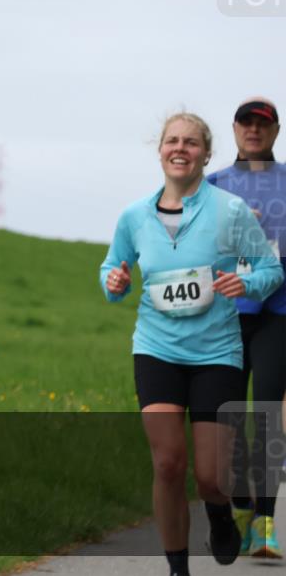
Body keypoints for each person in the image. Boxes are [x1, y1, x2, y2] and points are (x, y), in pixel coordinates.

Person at [100, 112, 283, 576]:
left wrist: (248, 284)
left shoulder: (230, 209)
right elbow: (111, 271)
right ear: (159, 149)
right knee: (166, 463)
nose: (180, 149)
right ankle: (177, 567)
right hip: (156, 348)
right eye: (172, 141)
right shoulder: (135, 215)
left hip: (217, 353)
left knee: (211, 476)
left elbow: (270, 270)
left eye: (191, 143)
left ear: (206, 153)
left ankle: (220, 514)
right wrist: (116, 280)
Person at [206, 97, 285, 559]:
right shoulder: (213, 186)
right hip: (226, 318)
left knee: (267, 415)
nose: (253, 130)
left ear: (275, 132)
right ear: (234, 130)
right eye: (246, 123)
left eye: (263, 124)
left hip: (278, 313)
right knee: (228, 420)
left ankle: (265, 522)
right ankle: (239, 505)